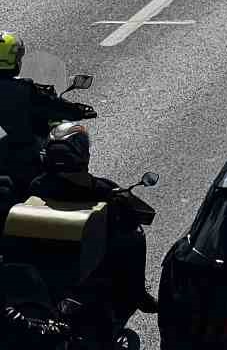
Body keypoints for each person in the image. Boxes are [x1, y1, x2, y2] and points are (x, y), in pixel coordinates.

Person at [30, 124, 156, 322]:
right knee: (136, 237)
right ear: (81, 154)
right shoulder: (105, 190)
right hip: (87, 264)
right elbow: (137, 216)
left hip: (48, 265)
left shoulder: (37, 186)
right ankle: (138, 294)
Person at [0, 35, 94, 195]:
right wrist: (78, 110)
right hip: (22, 154)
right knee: (58, 159)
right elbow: (52, 105)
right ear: (13, 61)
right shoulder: (23, 89)